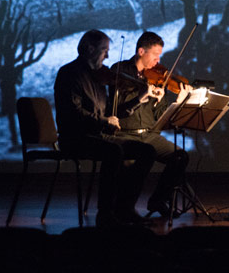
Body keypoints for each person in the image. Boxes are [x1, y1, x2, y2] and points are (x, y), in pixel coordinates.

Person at [53, 29, 158, 228]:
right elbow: (73, 113)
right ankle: (105, 214)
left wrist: (138, 99)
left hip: (96, 135)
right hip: (75, 138)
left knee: (146, 151)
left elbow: (110, 111)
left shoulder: (100, 76)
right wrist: (103, 122)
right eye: (104, 50)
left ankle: (124, 208)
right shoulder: (69, 73)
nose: (108, 56)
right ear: (90, 49)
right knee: (114, 151)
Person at [109, 31, 193, 219]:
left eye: (159, 56)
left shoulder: (156, 77)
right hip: (125, 134)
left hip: (149, 134)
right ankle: (126, 208)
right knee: (145, 154)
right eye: (155, 55)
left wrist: (166, 102)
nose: (158, 61)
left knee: (180, 156)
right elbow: (117, 110)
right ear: (141, 51)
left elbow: (158, 117)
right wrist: (141, 97)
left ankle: (158, 200)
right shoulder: (119, 72)